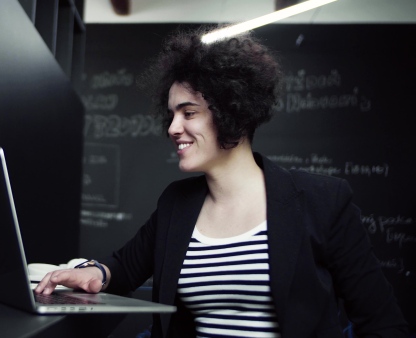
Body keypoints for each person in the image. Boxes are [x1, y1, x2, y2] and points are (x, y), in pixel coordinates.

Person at [34, 25, 409, 337]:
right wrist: (93, 273)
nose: (173, 128)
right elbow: (125, 266)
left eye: (189, 113)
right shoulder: (176, 204)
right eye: (171, 115)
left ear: (233, 111)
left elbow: (382, 323)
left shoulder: (322, 200)